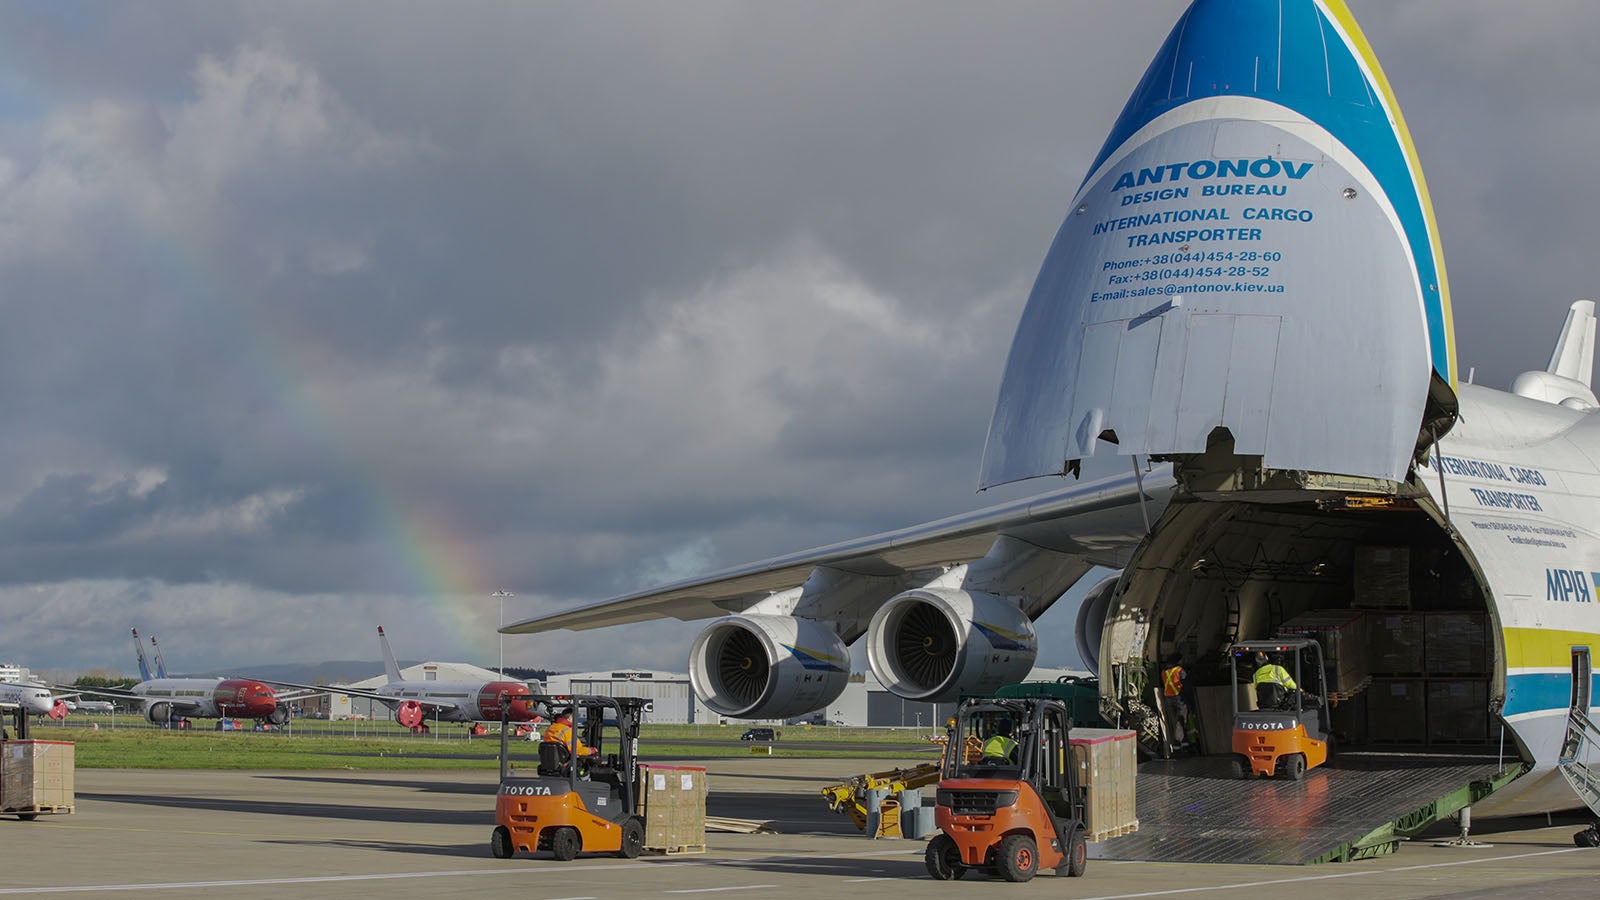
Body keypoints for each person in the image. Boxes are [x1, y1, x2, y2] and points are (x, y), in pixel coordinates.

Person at [1160, 654, 1189, 756]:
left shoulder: (1164, 672)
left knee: (1175, 722)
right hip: (1179, 699)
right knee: (1180, 722)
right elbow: (1186, 685)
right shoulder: (1179, 670)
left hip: (1168, 699)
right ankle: (1178, 745)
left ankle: (1184, 743)